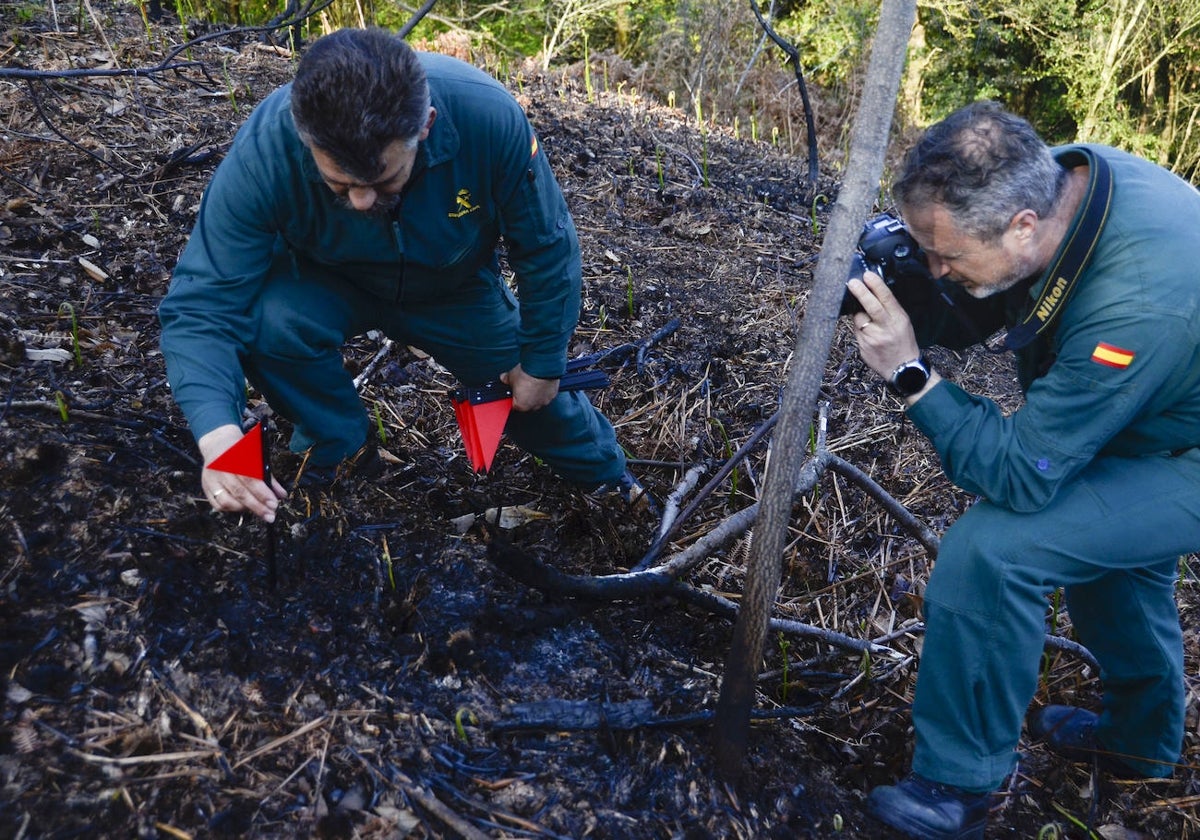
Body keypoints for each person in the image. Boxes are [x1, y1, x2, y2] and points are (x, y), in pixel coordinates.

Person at [846, 100, 1197, 838]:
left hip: (1183, 446)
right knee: (1108, 558)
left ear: (1022, 228)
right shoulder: (1057, 180)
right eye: (924, 247)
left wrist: (913, 375)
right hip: (1153, 406)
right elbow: (1002, 294)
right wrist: (914, 281)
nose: (938, 268)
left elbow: (1023, 474)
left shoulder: (1137, 302)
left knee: (997, 550)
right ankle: (1140, 746)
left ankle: (959, 789)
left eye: (946, 257)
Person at [159, 27, 647, 524]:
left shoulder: (487, 118)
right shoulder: (266, 151)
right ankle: (338, 449)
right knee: (268, 326)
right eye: (339, 183)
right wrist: (218, 435)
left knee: (533, 395)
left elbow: (545, 246)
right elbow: (202, 302)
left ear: (426, 125)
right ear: (307, 142)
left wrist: (543, 361)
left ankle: (610, 484)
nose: (362, 201)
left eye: (383, 179)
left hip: (452, 287)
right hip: (326, 279)